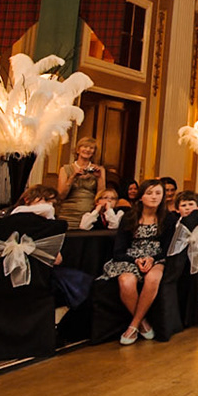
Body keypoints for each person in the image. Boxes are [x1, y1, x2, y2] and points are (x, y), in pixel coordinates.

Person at [104, 182, 172, 344]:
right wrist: (135, 260)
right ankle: (143, 324)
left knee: (153, 278)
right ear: (141, 196)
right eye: (149, 193)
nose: (154, 197)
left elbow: (169, 249)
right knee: (126, 281)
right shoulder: (129, 217)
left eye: (158, 193)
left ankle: (133, 325)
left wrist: (152, 259)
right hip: (131, 257)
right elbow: (119, 249)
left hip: (157, 257)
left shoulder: (168, 218)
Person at [55, 137, 108, 227]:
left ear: (94, 152)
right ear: (78, 150)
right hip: (68, 213)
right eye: (85, 146)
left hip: (89, 214)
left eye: (91, 148)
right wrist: (72, 177)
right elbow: (61, 195)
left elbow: (101, 196)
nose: (87, 150)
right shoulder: (65, 169)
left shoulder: (99, 169)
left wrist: (99, 177)